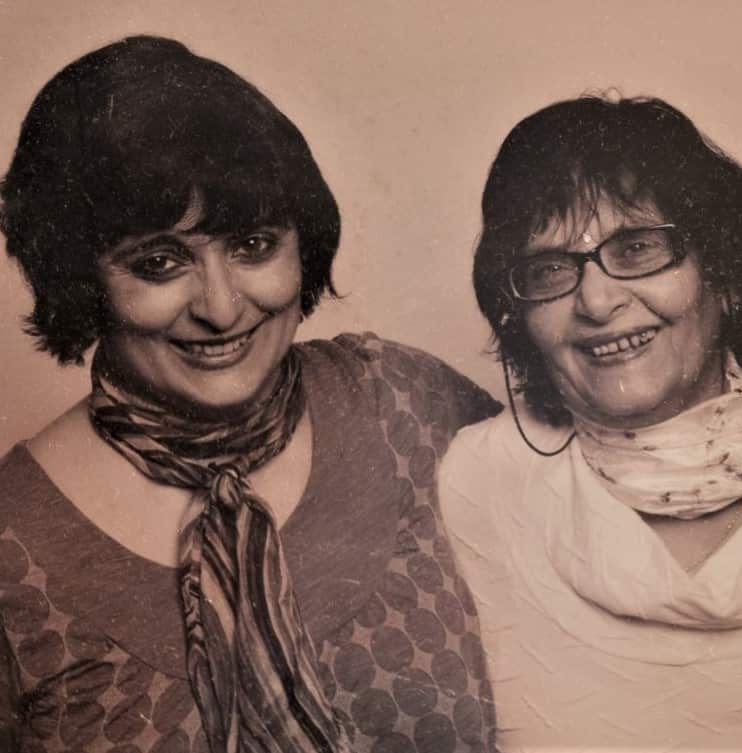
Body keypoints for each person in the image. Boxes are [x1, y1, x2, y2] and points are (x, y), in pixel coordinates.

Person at [0, 36, 499, 752]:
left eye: (255, 245)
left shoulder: (404, 402)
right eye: (159, 261)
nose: (223, 308)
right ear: (81, 279)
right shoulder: (12, 540)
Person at [438, 95, 742, 752]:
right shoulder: (480, 481)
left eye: (637, 248)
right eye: (549, 270)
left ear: (724, 272)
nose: (597, 301)